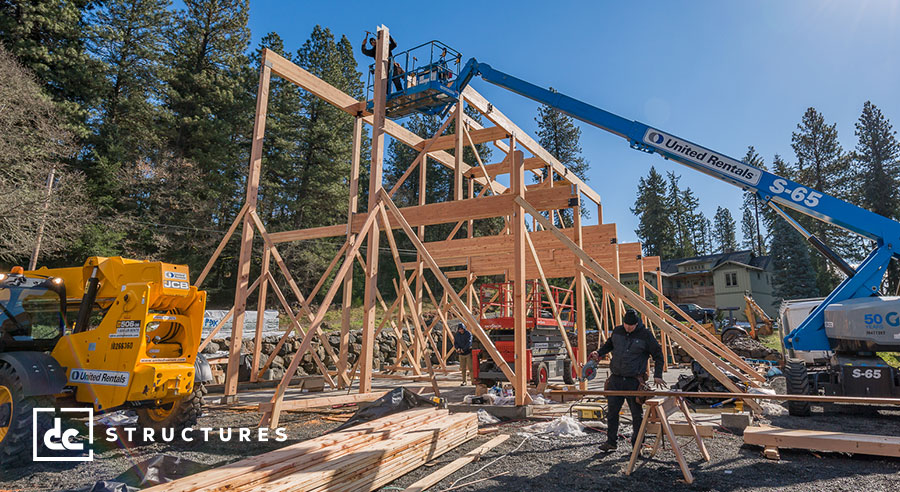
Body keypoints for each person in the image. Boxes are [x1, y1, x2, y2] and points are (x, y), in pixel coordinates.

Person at [591, 309, 666, 452]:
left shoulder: (645, 335)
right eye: (626, 325)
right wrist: (599, 353)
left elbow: (658, 355)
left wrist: (658, 375)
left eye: (630, 326)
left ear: (636, 324)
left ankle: (637, 445)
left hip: (634, 381)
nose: (627, 328)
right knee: (612, 413)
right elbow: (609, 344)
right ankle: (611, 442)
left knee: (636, 415)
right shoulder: (618, 331)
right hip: (616, 379)